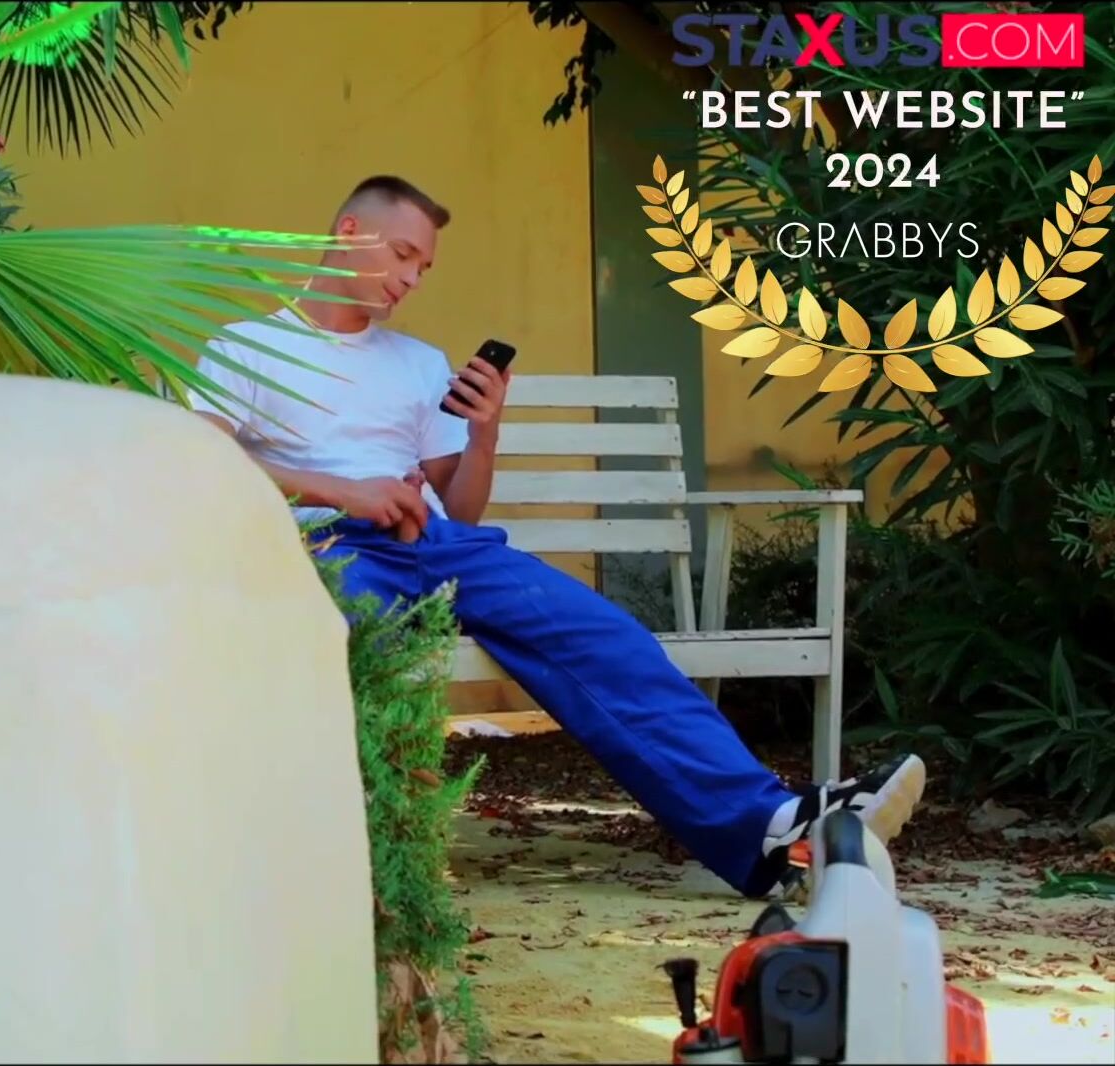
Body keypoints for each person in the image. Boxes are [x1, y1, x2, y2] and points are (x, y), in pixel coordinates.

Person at [185, 175, 925, 899]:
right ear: (349, 232)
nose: (411, 278)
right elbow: (197, 463)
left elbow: (462, 513)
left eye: (424, 267)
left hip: (440, 547)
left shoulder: (417, 363)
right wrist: (346, 492)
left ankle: (768, 823)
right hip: (326, 550)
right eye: (403, 254)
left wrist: (484, 432)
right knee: (353, 655)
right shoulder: (247, 347)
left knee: (605, 637)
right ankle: (329, 872)